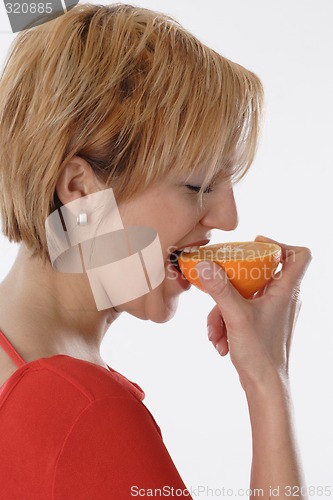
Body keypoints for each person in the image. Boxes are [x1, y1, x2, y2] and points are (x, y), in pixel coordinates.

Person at [0, 3, 312, 499]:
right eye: (197, 185)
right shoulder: (83, 410)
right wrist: (268, 385)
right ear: (80, 190)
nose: (227, 220)